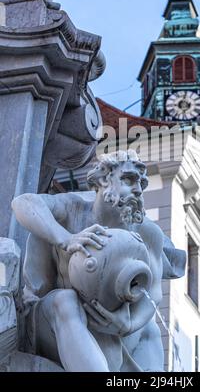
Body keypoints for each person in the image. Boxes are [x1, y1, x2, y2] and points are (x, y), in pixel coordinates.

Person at [12, 150, 186, 372]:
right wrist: (66, 238)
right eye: (128, 179)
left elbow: (152, 294)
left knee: (148, 330)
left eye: (142, 184)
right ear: (104, 179)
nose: (138, 190)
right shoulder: (72, 208)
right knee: (65, 301)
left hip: (110, 327)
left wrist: (129, 324)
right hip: (52, 322)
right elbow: (23, 203)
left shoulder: (148, 232)